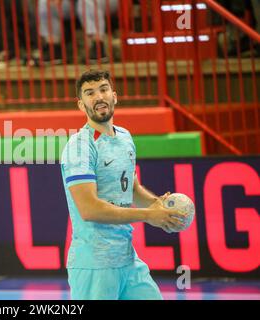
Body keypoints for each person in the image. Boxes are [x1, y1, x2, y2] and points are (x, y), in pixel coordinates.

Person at [60, 70, 187, 300]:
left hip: (127, 260)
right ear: (81, 104)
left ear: (114, 96)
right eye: (90, 93)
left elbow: (132, 188)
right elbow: (90, 209)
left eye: (103, 89)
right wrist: (148, 215)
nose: (98, 96)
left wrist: (159, 206)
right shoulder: (80, 146)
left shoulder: (125, 137)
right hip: (95, 264)